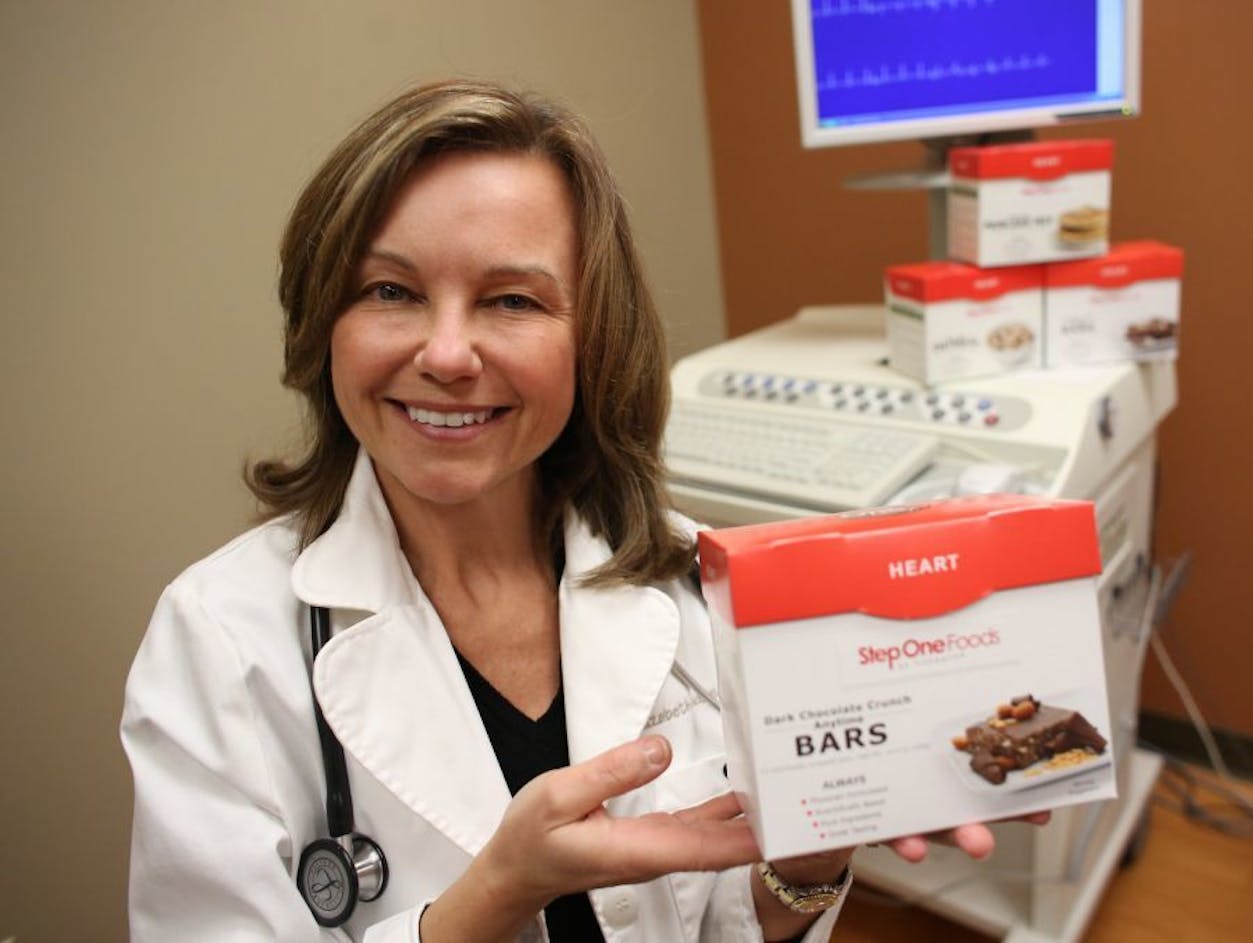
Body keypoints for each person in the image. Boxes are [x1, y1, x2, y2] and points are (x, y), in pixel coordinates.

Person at [121, 78, 1014, 943]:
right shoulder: (221, 640)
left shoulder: (697, 588)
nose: (446, 353)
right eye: (390, 291)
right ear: (325, 320)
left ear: (593, 336)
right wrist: (497, 894)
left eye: (513, 300)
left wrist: (811, 858)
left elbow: (723, 926)